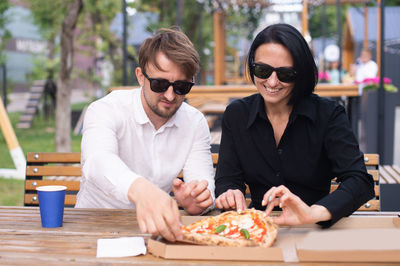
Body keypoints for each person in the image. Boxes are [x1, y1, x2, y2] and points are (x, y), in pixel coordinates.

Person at [214, 23, 374, 227]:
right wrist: (229, 193)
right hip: (257, 229)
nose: (272, 82)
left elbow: (360, 181)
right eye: (262, 70)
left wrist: (313, 212)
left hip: (314, 229)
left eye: (285, 74)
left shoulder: (328, 115)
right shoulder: (237, 115)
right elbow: (228, 179)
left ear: (301, 73)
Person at [75, 28, 215, 241]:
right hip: (93, 227)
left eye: (181, 86)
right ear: (140, 76)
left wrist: (197, 201)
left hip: (153, 233)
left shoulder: (195, 122)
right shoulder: (105, 109)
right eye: (159, 84)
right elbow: (96, 161)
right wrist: (141, 190)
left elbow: (203, 185)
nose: (170, 95)